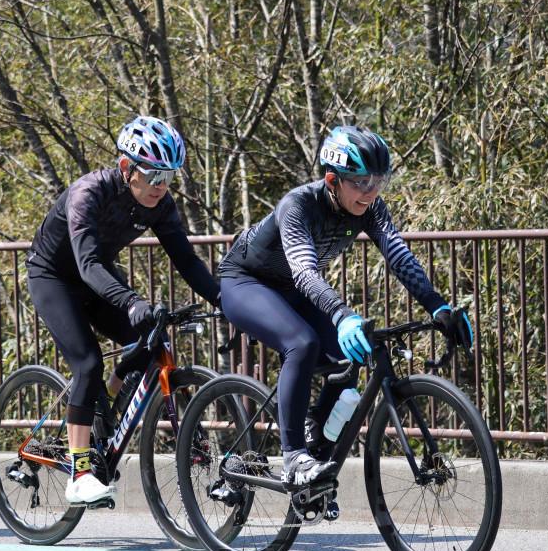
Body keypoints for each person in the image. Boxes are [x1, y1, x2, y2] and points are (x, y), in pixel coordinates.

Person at [216, 126, 473, 490]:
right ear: (332, 179)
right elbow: (305, 271)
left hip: (293, 289)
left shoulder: (371, 207)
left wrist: (438, 306)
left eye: (378, 181)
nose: (370, 192)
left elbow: (398, 256)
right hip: (246, 283)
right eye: (361, 182)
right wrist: (341, 314)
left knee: (350, 355)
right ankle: (293, 459)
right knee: (302, 343)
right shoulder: (298, 205)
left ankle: (315, 444)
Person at [26, 116, 222, 505]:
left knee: (151, 341)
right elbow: (88, 264)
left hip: (98, 276)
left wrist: (226, 301)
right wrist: (132, 301)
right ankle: (79, 474)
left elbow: (186, 260)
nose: (160, 186)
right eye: (152, 175)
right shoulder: (88, 193)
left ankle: (104, 410)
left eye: (169, 176)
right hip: (56, 278)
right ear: (125, 167)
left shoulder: (160, 203)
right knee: (87, 364)